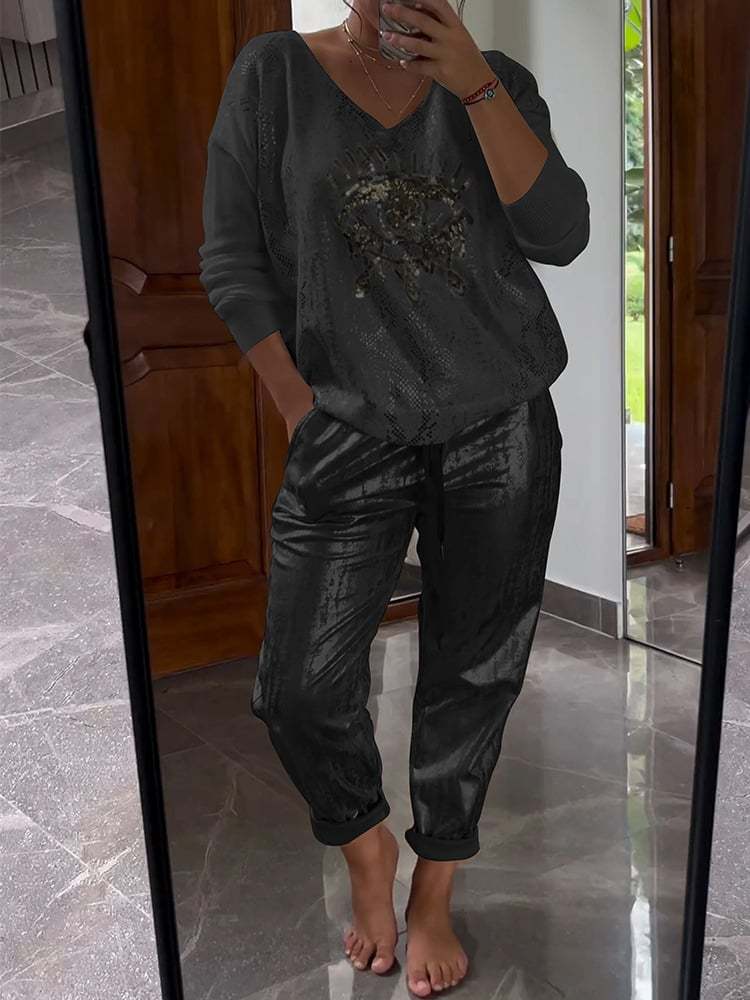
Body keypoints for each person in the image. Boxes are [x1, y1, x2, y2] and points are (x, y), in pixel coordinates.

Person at [198, 1, 589, 995]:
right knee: (298, 688)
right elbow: (231, 259)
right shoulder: (274, 76)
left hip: (500, 421)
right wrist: (300, 409)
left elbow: (563, 233)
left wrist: (476, 85)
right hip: (346, 425)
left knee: (475, 671)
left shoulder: (493, 80)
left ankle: (434, 891)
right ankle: (367, 847)